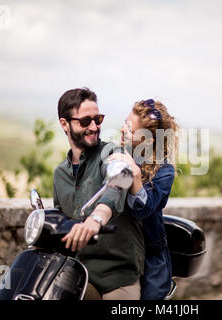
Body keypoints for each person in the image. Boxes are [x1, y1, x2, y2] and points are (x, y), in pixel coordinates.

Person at [53, 87, 144, 300]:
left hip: (118, 277)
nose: (94, 127)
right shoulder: (60, 174)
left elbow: (120, 180)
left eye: (98, 119)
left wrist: (96, 217)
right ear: (64, 124)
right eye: (85, 121)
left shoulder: (112, 153)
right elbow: (59, 221)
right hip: (81, 273)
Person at [107, 99, 178, 300]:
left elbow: (142, 210)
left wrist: (135, 174)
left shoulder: (164, 172)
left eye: (129, 129)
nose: (122, 130)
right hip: (122, 251)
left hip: (150, 257)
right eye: (125, 123)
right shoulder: (117, 155)